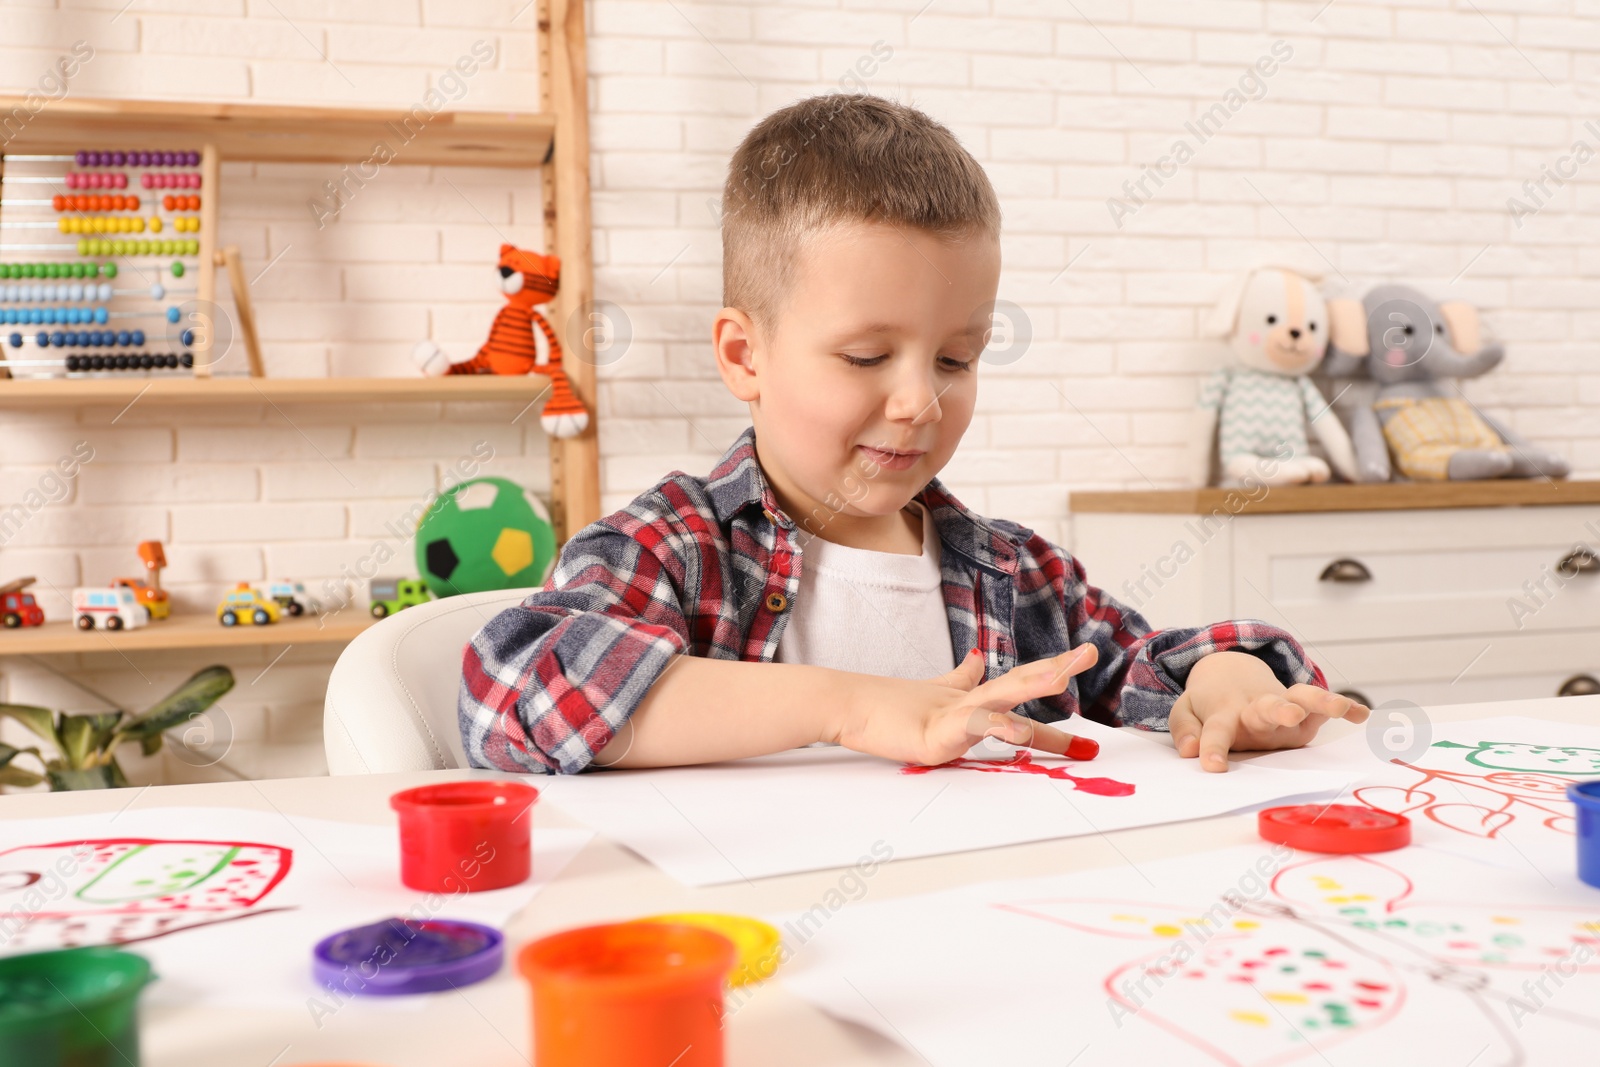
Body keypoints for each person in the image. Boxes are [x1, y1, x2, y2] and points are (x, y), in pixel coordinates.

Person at [458, 94, 1368, 776]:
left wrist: (1227, 681)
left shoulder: (1014, 576)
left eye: (955, 359)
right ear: (745, 355)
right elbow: (517, 686)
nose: (918, 403)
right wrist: (848, 706)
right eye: (864, 357)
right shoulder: (673, 547)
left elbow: (1141, 660)